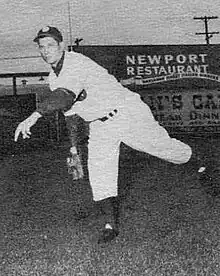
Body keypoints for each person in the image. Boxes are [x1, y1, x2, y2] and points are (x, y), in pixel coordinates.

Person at [14, 26, 192, 244]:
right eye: (42, 47)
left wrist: (34, 116)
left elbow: (64, 97)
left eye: (50, 45)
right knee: (99, 172)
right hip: (99, 124)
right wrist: (73, 146)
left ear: (62, 45)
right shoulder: (54, 76)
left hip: (127, 112)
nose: (46, 50)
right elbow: (71, 113)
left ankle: (200, 163)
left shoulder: (76, 62)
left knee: (167, 149)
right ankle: (110, 225)